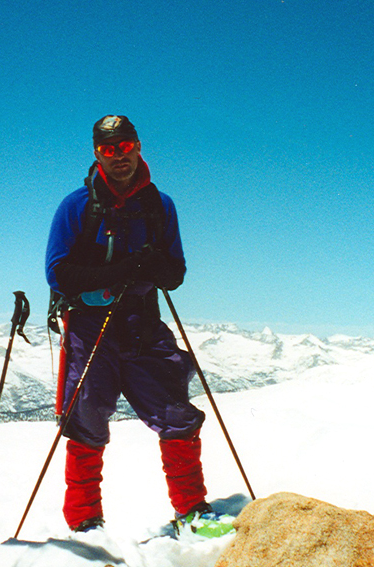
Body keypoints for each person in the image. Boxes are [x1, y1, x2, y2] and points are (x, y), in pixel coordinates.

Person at [45, 115, 228, 535]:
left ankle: (192, 512)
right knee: (86, 422)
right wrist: (126, 269)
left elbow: (176, 273)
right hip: (90, 326)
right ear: (97, 153)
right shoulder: (77, 207)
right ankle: (85, 522)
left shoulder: (159, 206)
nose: (119, 156)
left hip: (142, 324)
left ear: (138, 146)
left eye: (125, 146)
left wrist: (154, 266)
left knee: (176, 415)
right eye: (109, 150)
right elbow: (59, 274)